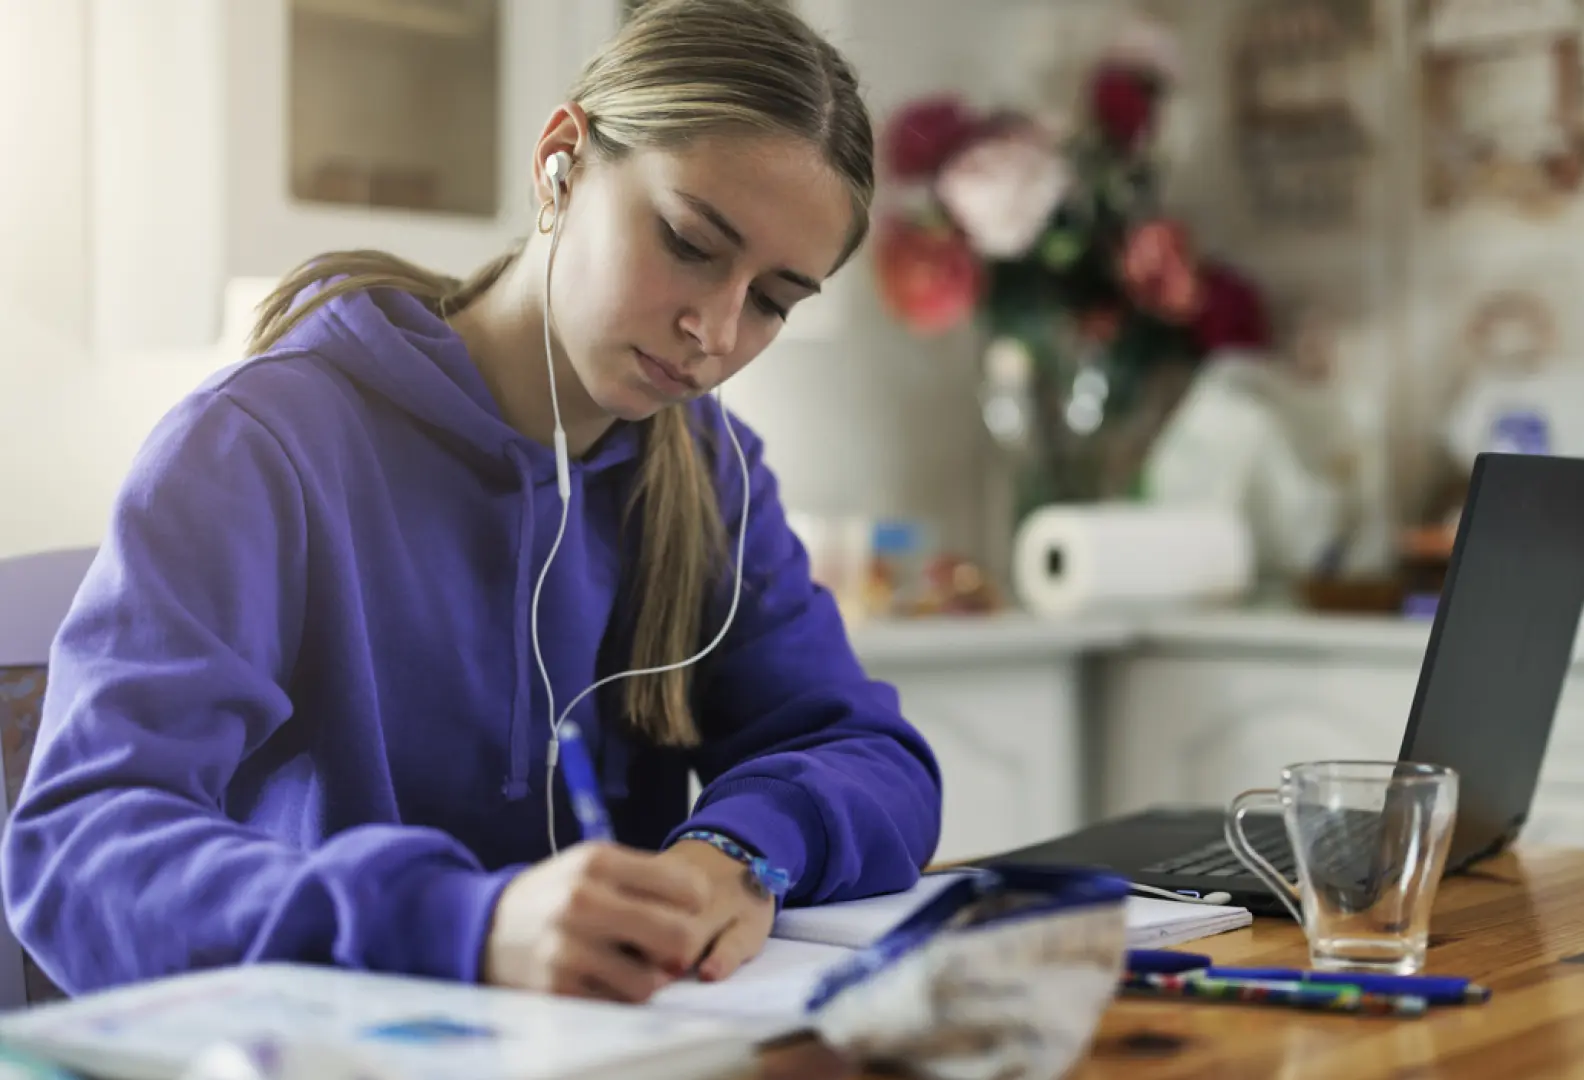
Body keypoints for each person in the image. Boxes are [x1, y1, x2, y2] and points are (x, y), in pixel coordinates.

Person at [0, 0, 941, 1004]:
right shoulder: (261, 445)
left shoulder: (712, 473)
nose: (714, 330)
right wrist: (467, 926)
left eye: (771, 301)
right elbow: (78, 848)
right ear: (561, 160)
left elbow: (869, 756)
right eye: (688, 242)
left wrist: (735, 851)